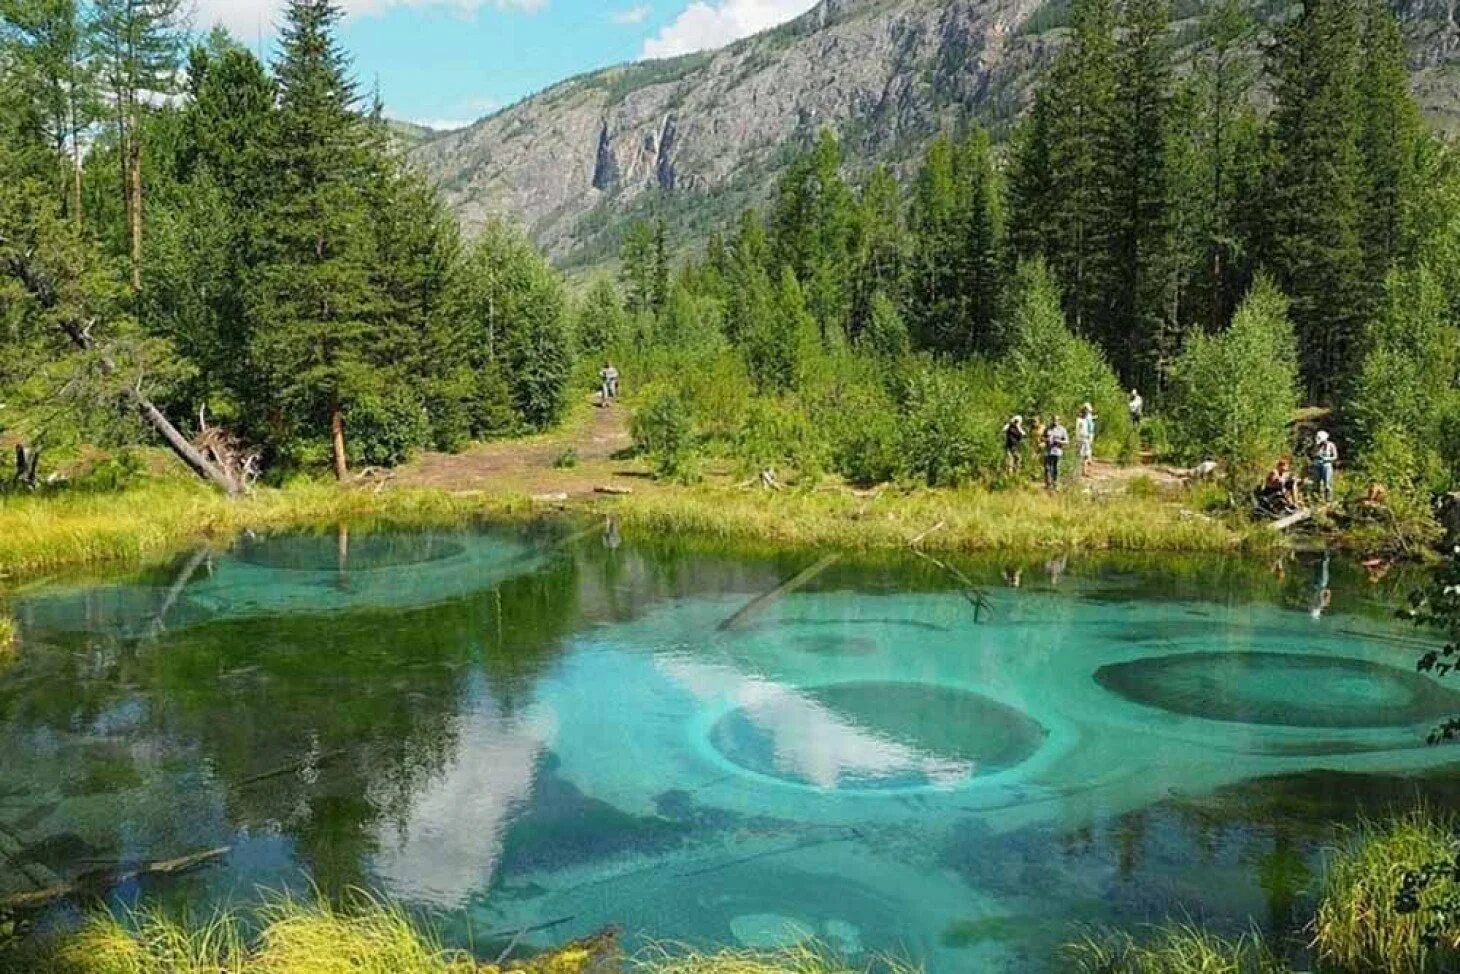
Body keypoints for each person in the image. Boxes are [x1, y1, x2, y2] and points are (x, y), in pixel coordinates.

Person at [1312, 430, 1338, 503]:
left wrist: (1327, 458)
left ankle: (1328, 501)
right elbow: (1312, 454)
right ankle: (1317, 500)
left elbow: (1335, 456)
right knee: (1317, 483)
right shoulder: (1317, 445)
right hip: (1317, 465)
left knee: (1327, 483)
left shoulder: (1331, 445)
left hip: (1326, 465)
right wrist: (1316, 455)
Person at [1043, 415, 1069, 489]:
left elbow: (1067, 441)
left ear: (1059, 421)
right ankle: (1048, 484)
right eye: (1054, 420)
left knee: (1056, 468)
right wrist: (1046, 440)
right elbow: (1042, 438)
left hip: (1057, 451)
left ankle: (1056, 484)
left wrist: (1059, 441)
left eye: (1057, 420)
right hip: (1048, 451)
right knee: (1047, 467)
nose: (1055, 422)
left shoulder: (1062, 429)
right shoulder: (1047, 429)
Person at [1075, 403, 1096, 478]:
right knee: (1082, 455)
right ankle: (1081, 471)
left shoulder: (1087, 418)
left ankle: (1084, 470)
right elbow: (1079, 430)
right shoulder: (1080, 420)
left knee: (1086, 455)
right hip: (1082, 438)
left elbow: (1090, 429)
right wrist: (1078, 439)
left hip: (1086, 438)